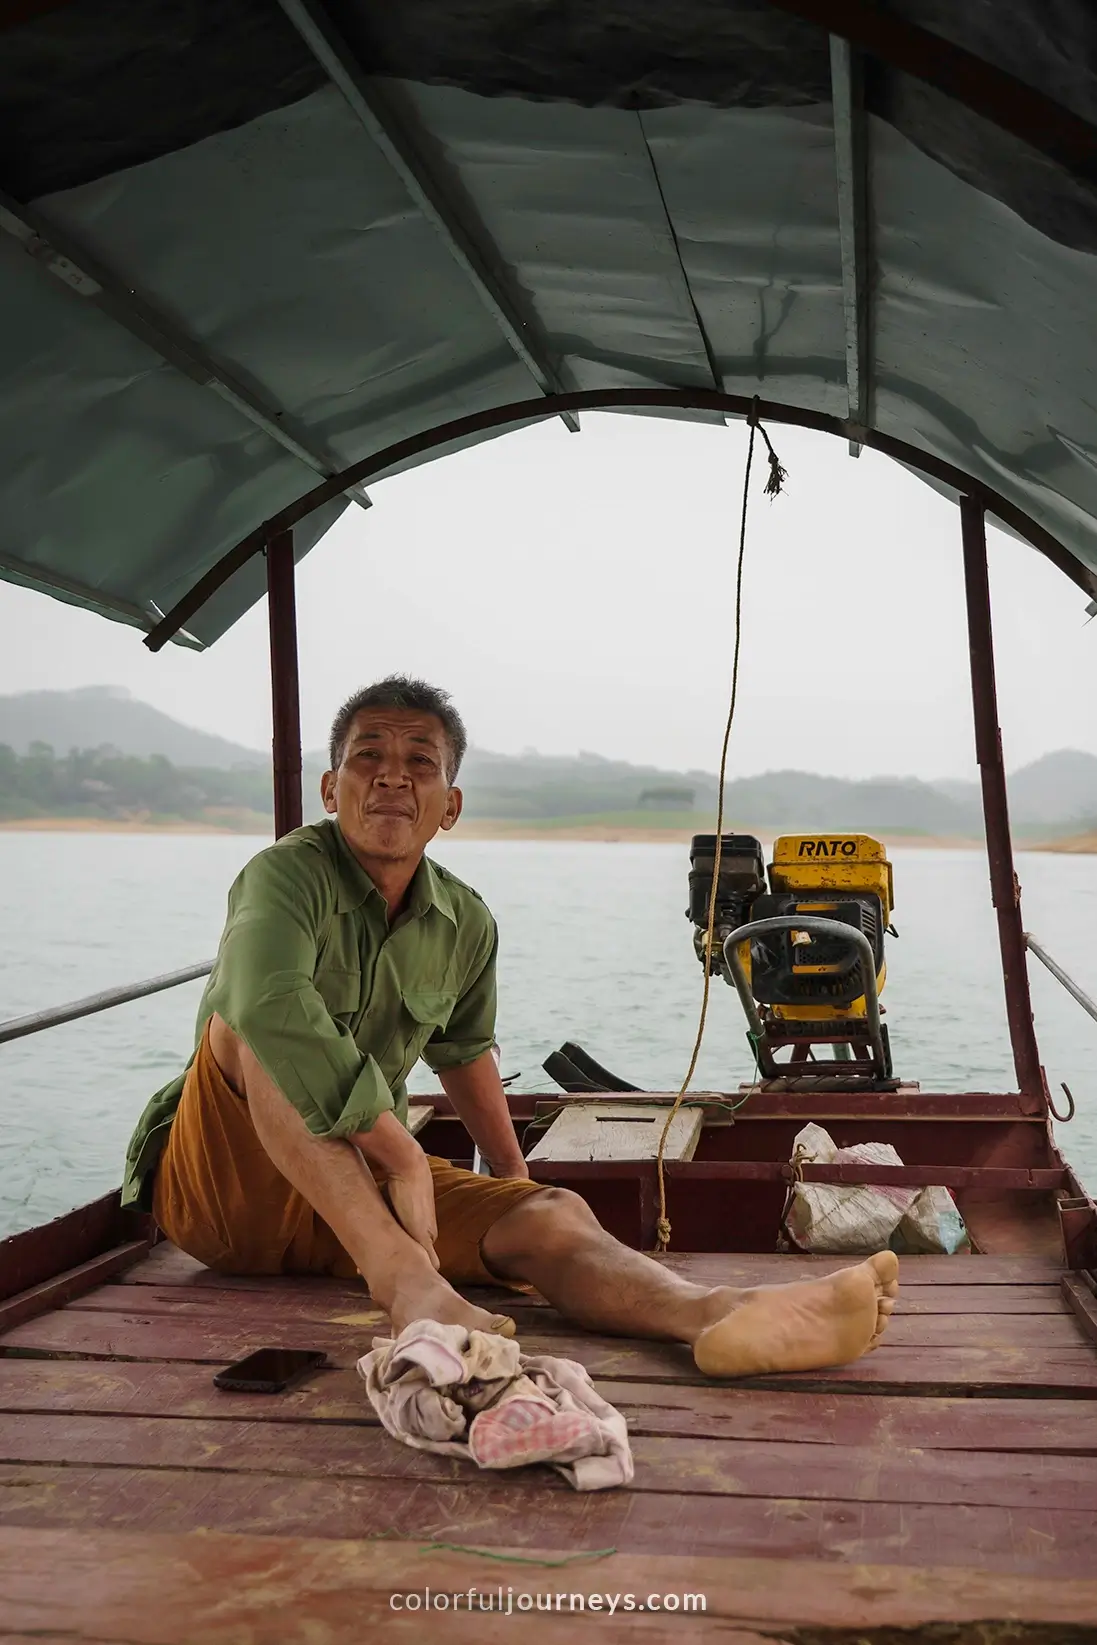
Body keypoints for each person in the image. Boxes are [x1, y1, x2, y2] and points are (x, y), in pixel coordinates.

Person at [123, 676, 898, 1378]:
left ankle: (715, 1314)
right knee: (251, 1032)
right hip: (222, 1195)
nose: (393, 774)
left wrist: (513, 1187)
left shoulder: (463, 918)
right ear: (331, 787)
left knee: (551, 1216)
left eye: (421, 762)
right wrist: (401, 1153)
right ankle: (406, 1284)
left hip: (345, 1204)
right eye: (369, 756)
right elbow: (267, 1007)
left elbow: (462, 1053)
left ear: (449, 806)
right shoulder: (284, 876)